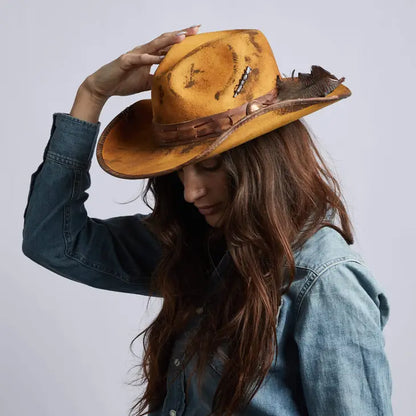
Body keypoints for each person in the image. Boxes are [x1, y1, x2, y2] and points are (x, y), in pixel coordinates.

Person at [22, 26, 393, 416]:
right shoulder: (201, 242)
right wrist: (92, 95)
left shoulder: (326, 282)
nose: (190, 192)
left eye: (210, 165)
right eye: (180, 171)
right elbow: (53, 240)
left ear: (264, 159)